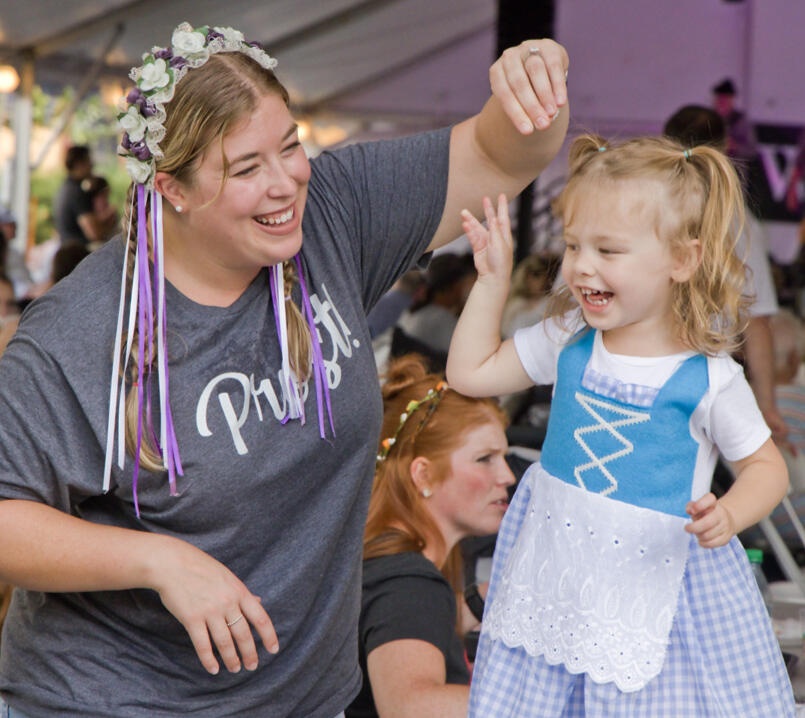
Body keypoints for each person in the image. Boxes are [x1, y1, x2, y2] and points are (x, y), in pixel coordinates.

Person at [0, 21, 569, 718]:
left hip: (301, 700)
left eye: (290, 144)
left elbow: (497, 152)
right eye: (246, 168)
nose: (286, 183)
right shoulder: (83, 331)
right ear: (172, 188)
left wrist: (535, 88)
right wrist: (158, 561)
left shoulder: (334, 213)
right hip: (112, 701)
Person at [447, 135, 794, 716]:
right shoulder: (568, 339)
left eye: (608, 250)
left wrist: (731, 513)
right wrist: (491, 283)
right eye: (574, 246)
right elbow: (470, 373)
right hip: (559, 581)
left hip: (659, 590)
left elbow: (766, 468)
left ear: (682, 260)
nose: (581, 265)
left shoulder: (709, 378)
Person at [345, 355, 514, 718]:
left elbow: (408, 620)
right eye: (485, 459)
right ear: (423, 476)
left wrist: (473, 603)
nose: (507, 476)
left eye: (504, 456)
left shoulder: (385, 559)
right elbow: (410, 706)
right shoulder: (408, 581)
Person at [664, 104, 791, 451]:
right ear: (725, 149)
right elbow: (757, 323)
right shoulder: (738, 223)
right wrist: (766, 407)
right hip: (703, 380)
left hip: (628, 363)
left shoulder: (639, 204)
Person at [53, 145, 103, 245]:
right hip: (79, 253)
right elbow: (94, 233)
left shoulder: (66, 187)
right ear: (79, 164)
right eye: (88, 161)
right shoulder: (76, 192)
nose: (92, 165)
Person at [501, 253, 557, 338]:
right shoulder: (514, 303)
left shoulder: (551, 303)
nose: (544, 280)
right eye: (535, 275)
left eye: (537, 275)